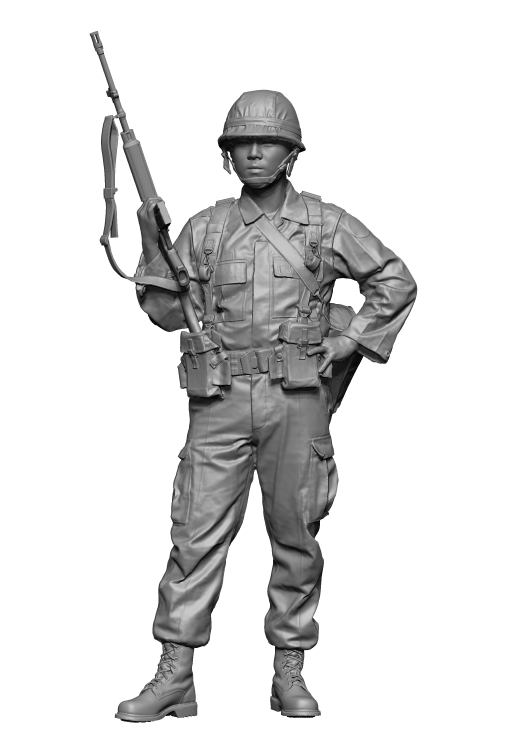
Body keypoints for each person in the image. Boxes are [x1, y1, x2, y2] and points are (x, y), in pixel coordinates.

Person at [115, 90, 417, 721]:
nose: (255, 152)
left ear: (291, 154)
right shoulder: (205, 228)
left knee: (296, 536)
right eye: (242, 143)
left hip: (296, 402)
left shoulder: (324, 224)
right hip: (218, 401)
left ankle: (289, 672)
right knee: (194, 535)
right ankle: (175, 674)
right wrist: (151, 242)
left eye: (268, 142)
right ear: (228, 154)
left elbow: (394, 280)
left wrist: (348, 342)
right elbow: (166, 311)